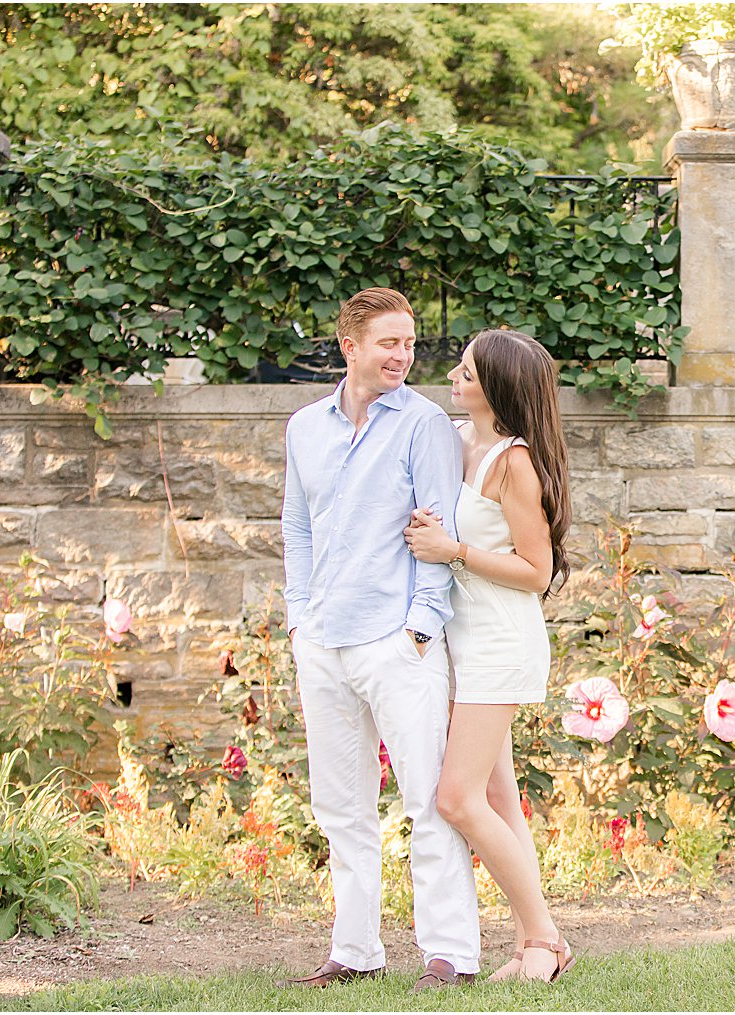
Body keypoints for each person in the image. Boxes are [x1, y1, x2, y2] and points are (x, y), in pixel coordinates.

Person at [279, 288, 483, 993]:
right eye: (388, 342)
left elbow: (438, 524)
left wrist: (423, 627)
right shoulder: (305, 427)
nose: (402, 355)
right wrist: (298, 617)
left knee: (427, 798)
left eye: (409, 341)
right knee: (341, 805)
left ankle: (449, 952)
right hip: (324, 640)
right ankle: (355, 948)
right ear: (350, 346)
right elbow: (298, 527)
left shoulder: (425, 425)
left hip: (399, 641)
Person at [404, 328, 575, 983]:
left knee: (457, 796)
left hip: (501, 642)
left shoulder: (513, 461)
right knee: (500, 799)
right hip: (463, 639)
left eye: (469, 372)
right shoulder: (456, 438)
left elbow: (537, 569)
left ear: (497, 387)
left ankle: (547, 941)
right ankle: (537, 943)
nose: (454, 375)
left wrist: (455, 552)